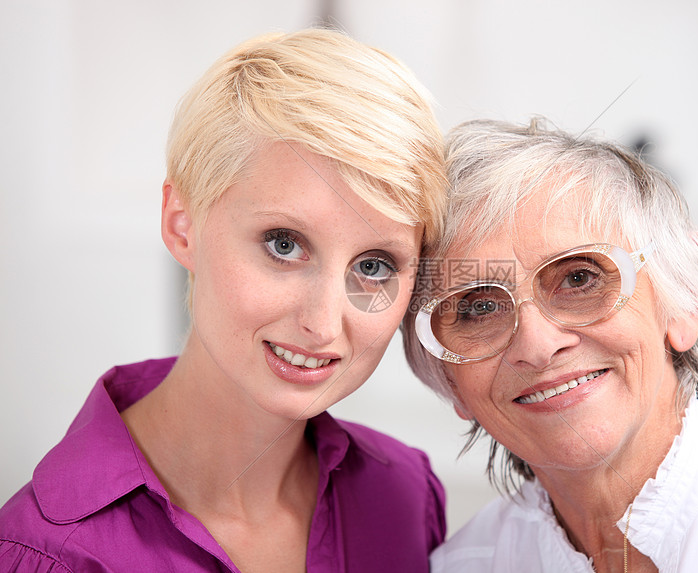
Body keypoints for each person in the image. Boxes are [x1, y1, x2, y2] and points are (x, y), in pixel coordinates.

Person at [0, 29, 448, 572]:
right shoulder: (44, 552)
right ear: (181, 225)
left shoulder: (404, 498)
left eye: (373, 266)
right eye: (284, 245)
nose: (324, 323)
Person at [403, 118, 698, 572]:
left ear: (682, 300)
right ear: (448, 379)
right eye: (478, 309)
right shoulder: (463, 565)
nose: (538, 346)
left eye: (579, 279)